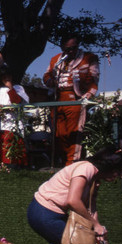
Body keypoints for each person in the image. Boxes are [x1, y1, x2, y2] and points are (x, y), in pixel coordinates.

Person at [43, 35, 100, 166]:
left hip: (76, 99)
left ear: (78, 45)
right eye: (66, 48)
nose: (70, 51)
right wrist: (51, 81)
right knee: (59, 133)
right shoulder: (55, 60)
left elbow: (94, 79)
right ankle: (63, 160)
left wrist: (87, 97)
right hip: (58, 99)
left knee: (74, 132)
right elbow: (46, 76)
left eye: (73, 48)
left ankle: (72, 162)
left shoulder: (89, 58)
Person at [0, 64, 29, 166]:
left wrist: (10, 88)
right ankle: (0, 165)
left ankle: (15, 166)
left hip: (12, 121)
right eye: (4, 77)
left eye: (8, 76)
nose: (6, 79)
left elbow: (17, 101)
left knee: (12, 143)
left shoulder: (18, 88)